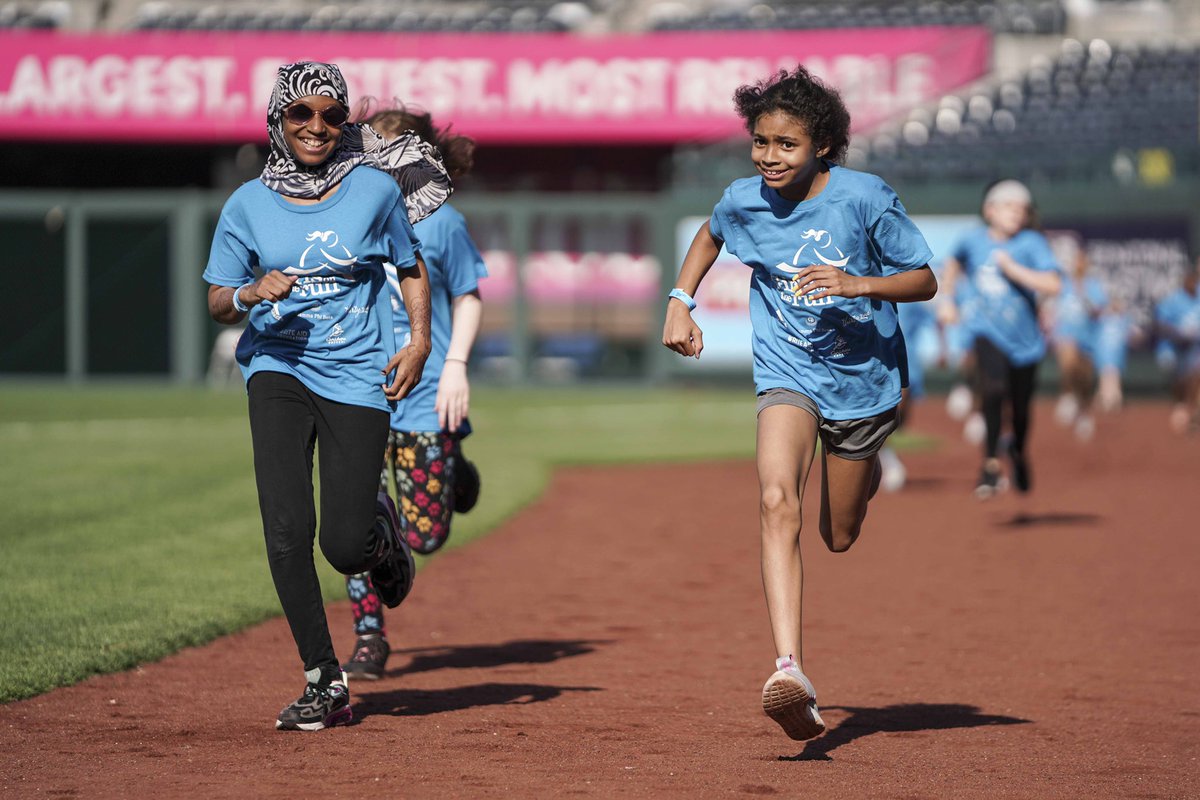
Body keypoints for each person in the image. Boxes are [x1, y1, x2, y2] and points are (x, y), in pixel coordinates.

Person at [662, 66, 937, 742]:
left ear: (823, 145)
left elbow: (925, 279)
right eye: (760, 142)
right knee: (775, 498)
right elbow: (710, 234)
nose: (769, 156)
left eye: (786, 144)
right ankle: (790, 669)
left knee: (838, 534)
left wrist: (855, 283)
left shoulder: (865, 198)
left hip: (865, 384)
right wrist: (681, 301)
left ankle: (868, 469)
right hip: (787, 373)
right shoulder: (742, 199)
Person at [203, 61, 452, 731]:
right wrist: (251, 293)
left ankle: (381, 541)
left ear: (345, 122)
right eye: (300, 114)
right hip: (277, 369)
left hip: (356, 375)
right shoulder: (246, 205)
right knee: (287, 533)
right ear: (277, 120)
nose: (316, 126)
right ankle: (324, 681)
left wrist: (420, 341)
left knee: (344, 545)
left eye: (330, 114)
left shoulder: (372, 190)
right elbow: (218, 299)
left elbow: (409, 265)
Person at [341, 106, 488, 681]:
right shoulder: (342, 216)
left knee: (423, 536)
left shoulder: (442, 223)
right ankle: (368, 636)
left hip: (427, 392)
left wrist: (456, 365)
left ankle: (455, 474)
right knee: (359, 525)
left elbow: (469, 296)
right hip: (356, 390)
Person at [938, 180, 1061, 498]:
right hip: (986, 330)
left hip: (1025, 341)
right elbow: (953, 263)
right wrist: (948, 299)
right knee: (992, 389)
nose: (1016, 213)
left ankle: (1018, 450)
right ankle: (990, 465)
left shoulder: (1031, 243)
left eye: (1022, 208)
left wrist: (1014, 270)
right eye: (1009, 206)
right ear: (990, 210)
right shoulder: (972, 239)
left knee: (1020, 410)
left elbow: (1053, 284)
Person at [1051, 244, 1109, 441]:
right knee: (1068, 363)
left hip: (1088, 338)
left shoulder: (1093, 286)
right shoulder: (1063, 284)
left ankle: (1084, 411)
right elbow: (1052, 305)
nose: (1078, 265)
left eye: (1081, 262)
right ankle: (1067, 396)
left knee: (1084, 378)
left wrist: (1086, 298)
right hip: (1066, 334)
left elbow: (1099, 310)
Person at [1154, 257, 1200, 433]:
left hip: (1196, 348)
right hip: (1174, 347)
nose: (1191, 283)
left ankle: (1195, 413)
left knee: (1197, 373)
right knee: (1181, 379)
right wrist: (1179, 333)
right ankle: (1181, 405)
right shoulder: (1173, 300)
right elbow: (1160, 324)